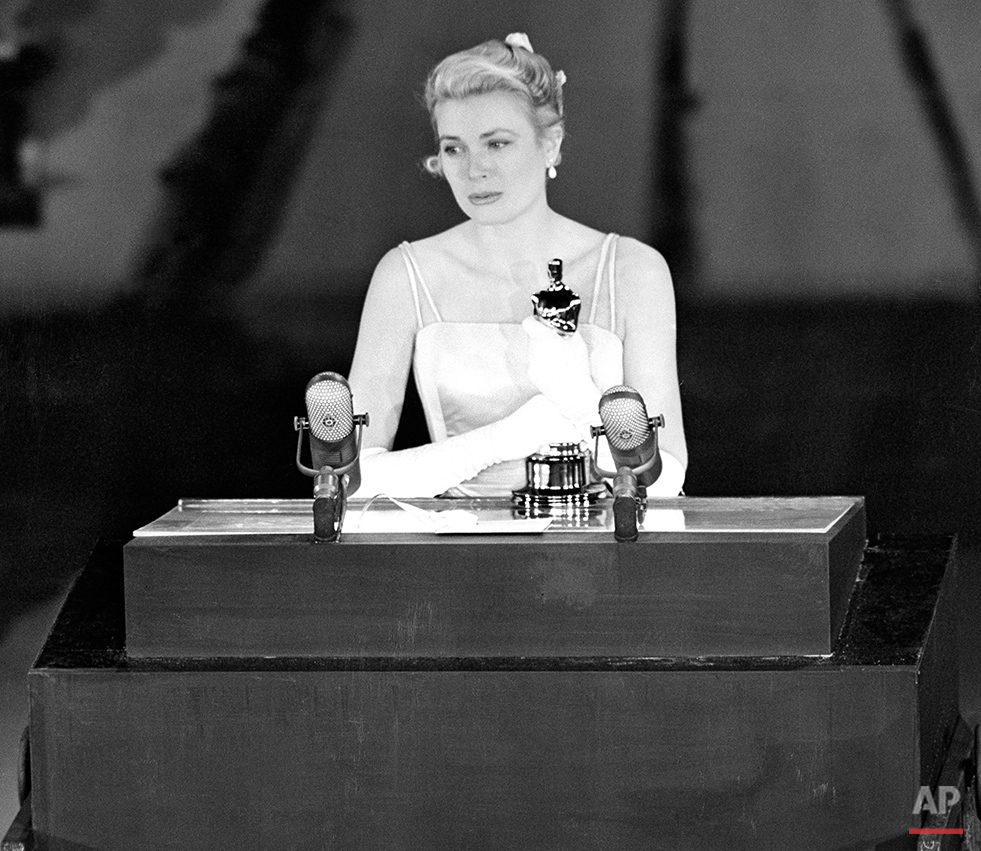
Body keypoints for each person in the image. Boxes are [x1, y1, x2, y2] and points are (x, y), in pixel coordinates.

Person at [348, 32, 686, 498]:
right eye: (454, 148)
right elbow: (350, 478)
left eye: (498, 143)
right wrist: (506, 438)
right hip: (457, 557)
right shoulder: (405, 274)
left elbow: (666, 475)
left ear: (550, 144)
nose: (474, 170)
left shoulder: (633, 270)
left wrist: (581, 402)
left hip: (607, 555)